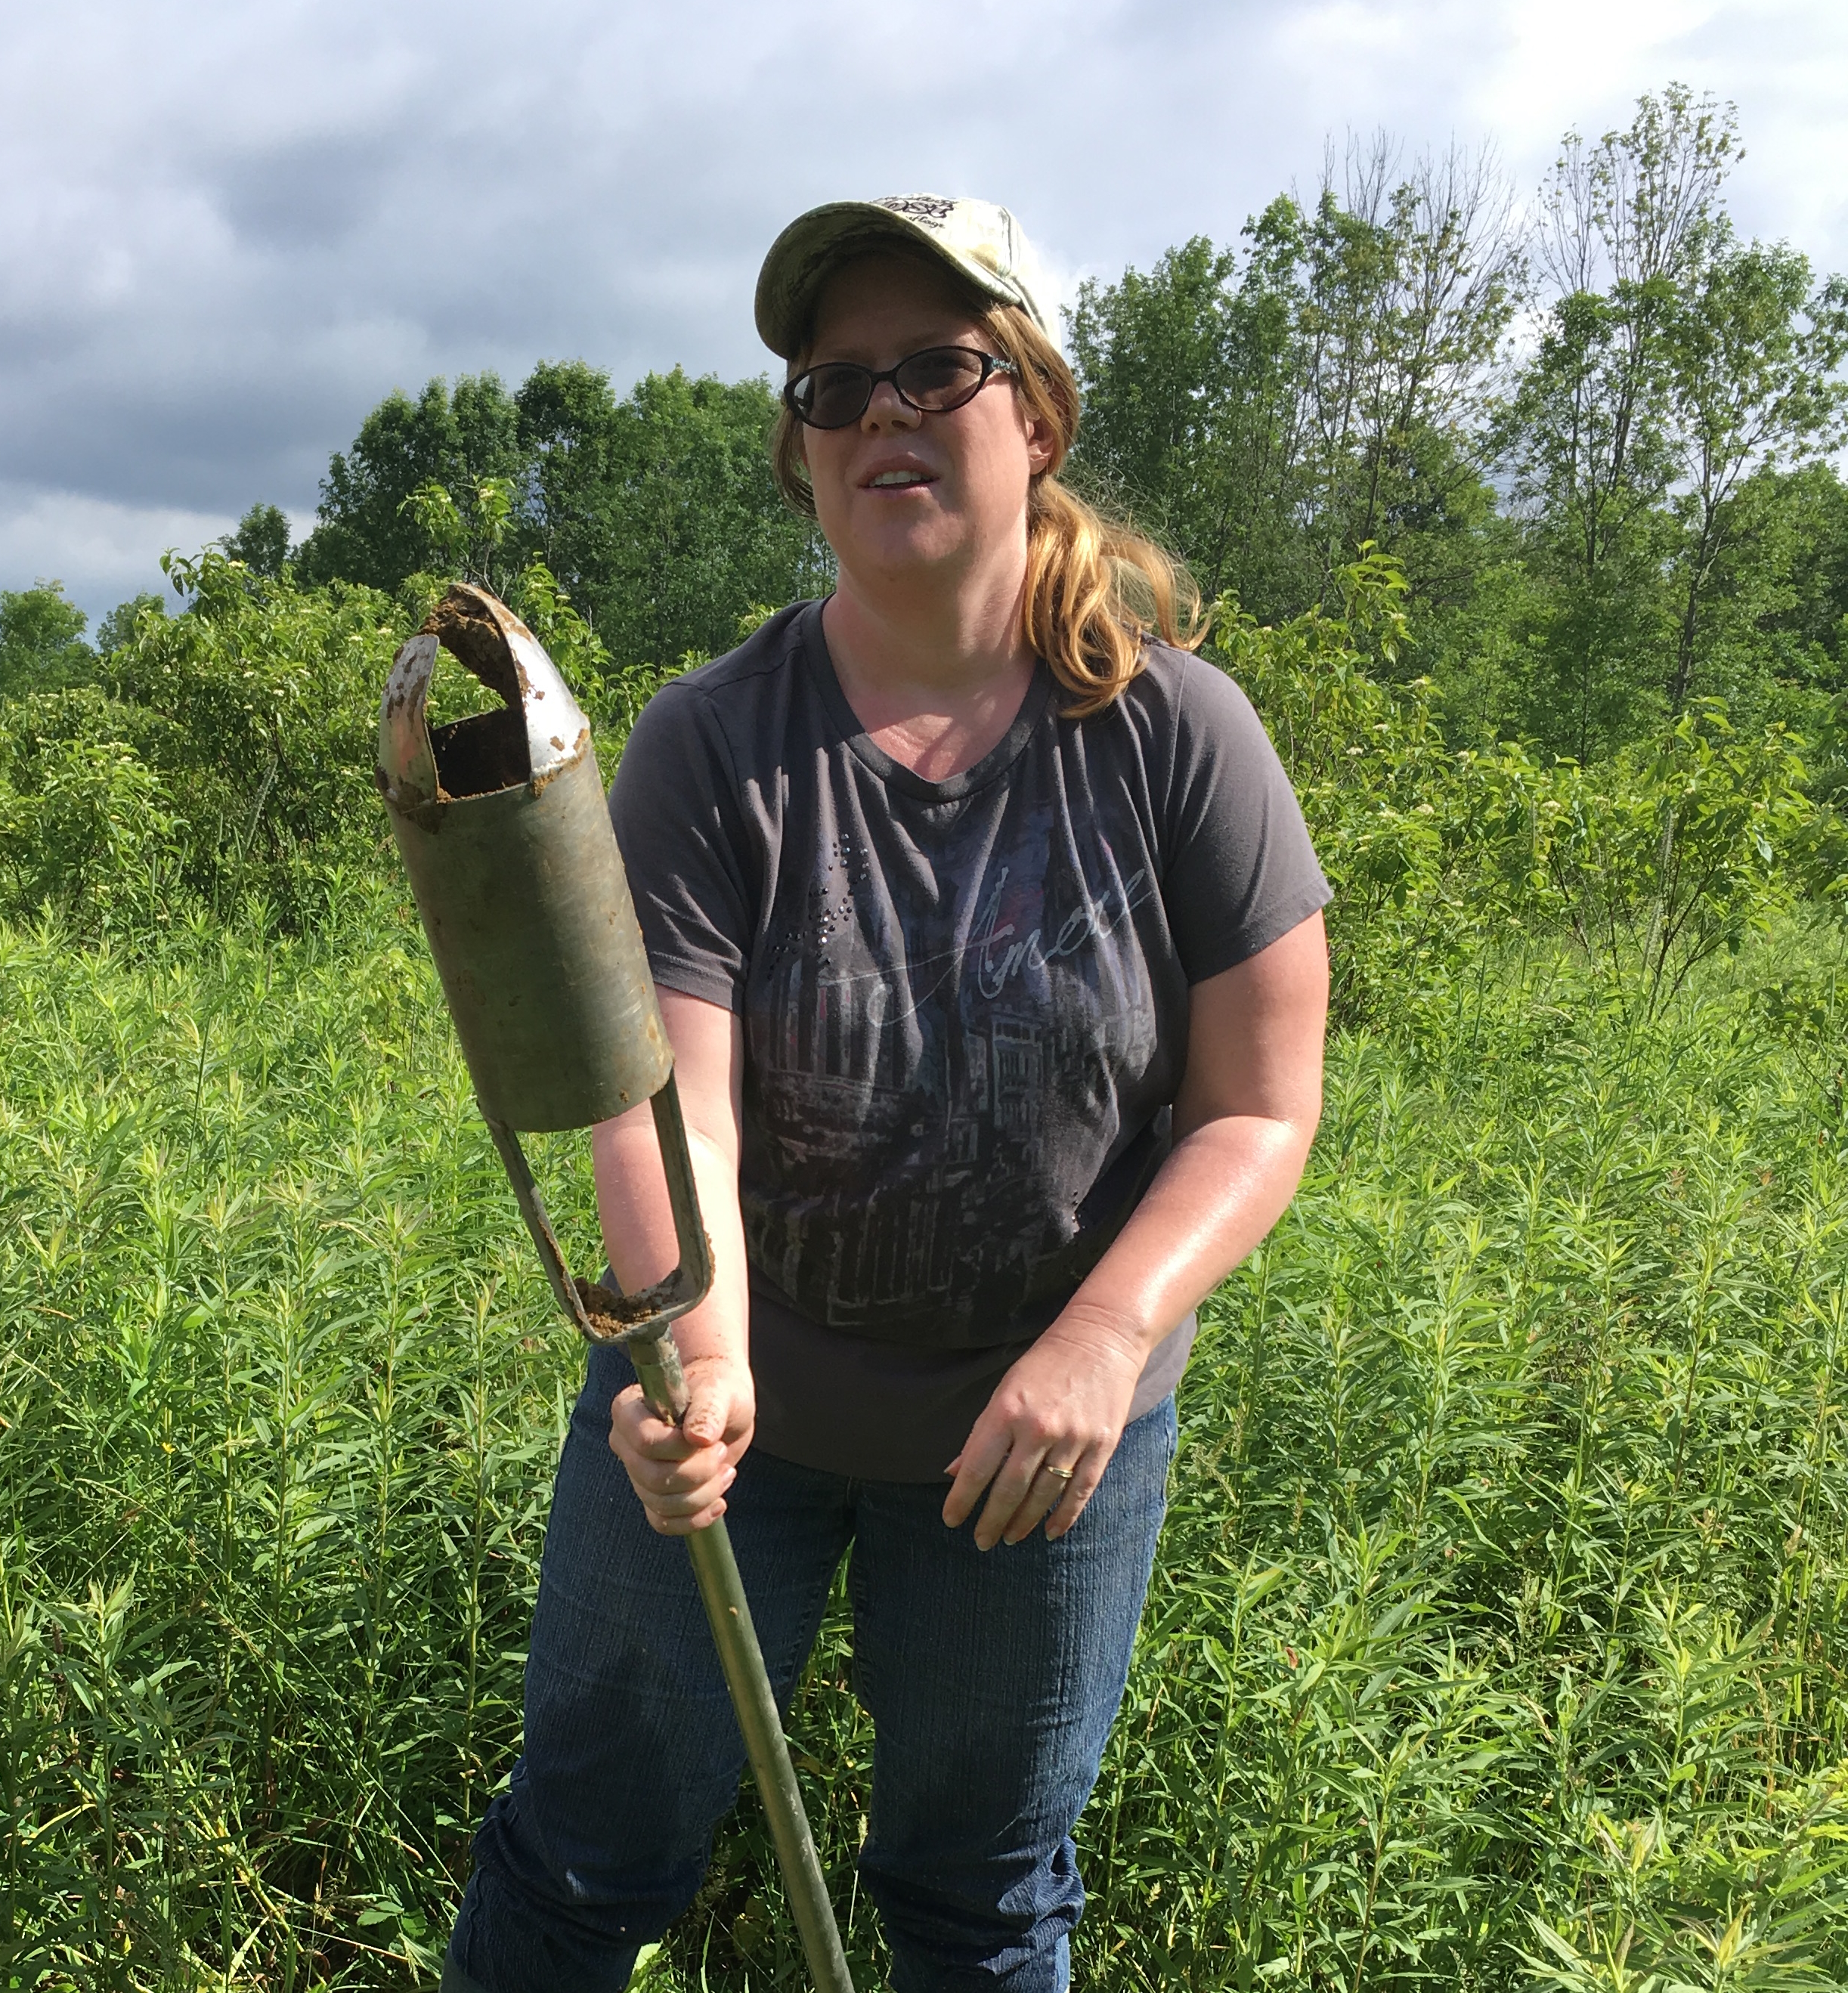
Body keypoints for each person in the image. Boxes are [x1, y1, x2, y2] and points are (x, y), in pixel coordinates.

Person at [442, 193, 1331, 1993]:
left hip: (1042, 1442)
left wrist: (1105, 1339)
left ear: (1037, 415)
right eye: (833, 385)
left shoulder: (1177, 738)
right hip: (745, 1423)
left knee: (983, 1898)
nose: (881, 415)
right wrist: (696, 1363)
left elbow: (1256, 1105)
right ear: (798, 451)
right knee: (577, 1857)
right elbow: (668, 1104)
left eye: (940, 366)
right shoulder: (715, 742)